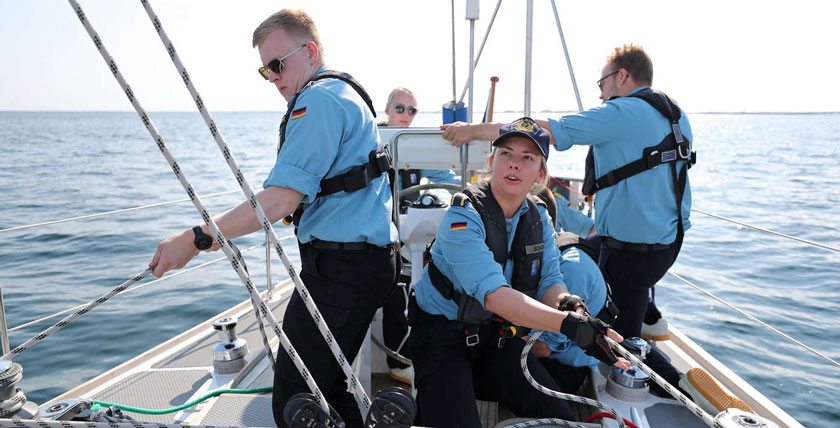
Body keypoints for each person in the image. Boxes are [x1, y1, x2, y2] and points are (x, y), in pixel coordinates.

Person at [150, 9, 398, 427]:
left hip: (342, 272)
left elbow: (280, 201)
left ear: (311, 51)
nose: (273, 77)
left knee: (297, 398)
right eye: (265, 69)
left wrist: (196, 238)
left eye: (278, 64)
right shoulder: (342, 93)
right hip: (360, 265)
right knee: (326, 390)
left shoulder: (317, 101)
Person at [409, 117, 630, 427]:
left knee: (563, 420)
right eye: (506, 154)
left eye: (527, 158)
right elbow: (495, 296)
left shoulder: (538, 216)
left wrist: (573, 307)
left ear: (540, 174)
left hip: (495, 337)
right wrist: (570, 327)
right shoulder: (462, 216)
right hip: (441, 337)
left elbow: (551, 280)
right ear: (491, 162)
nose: (514, 164)